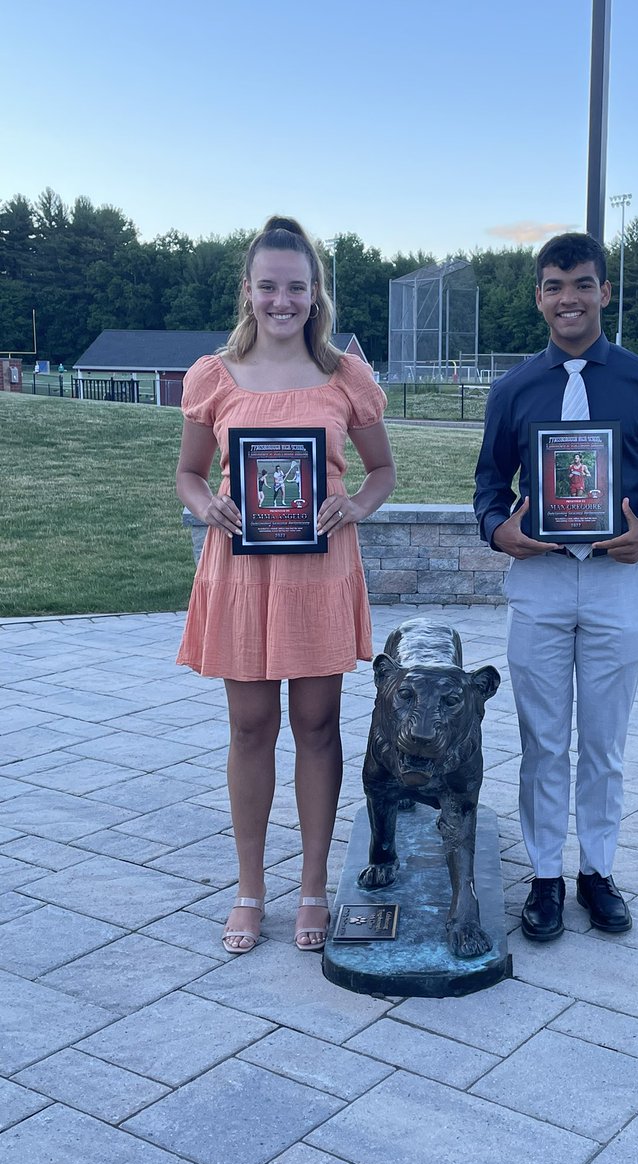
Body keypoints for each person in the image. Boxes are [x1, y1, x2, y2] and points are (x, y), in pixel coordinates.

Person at [176, 216, 396, 955]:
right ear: (247, 289)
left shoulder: (345, 376)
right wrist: (206, 506)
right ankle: (249, 890)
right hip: (241, 571)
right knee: (249, 728)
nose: (281, 300)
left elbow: (382, 470)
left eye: (295, 287)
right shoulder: (213, 376)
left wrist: (356, 504)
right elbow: (189, 474)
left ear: (315, 293)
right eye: (268, 286)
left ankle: (312, 888)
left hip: (318, 572)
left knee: (317, 725)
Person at [474, 232, 638, 942]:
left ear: (604, 290)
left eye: (582, 284)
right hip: (539, 581)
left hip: (615, 582)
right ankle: (544, 875)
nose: (569, 299)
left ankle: (597, 871)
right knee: (542, 740)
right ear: (538, 297)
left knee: (603, 742)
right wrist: (498, 529)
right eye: (554, 286)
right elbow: (488, 485)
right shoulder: (513, 389)